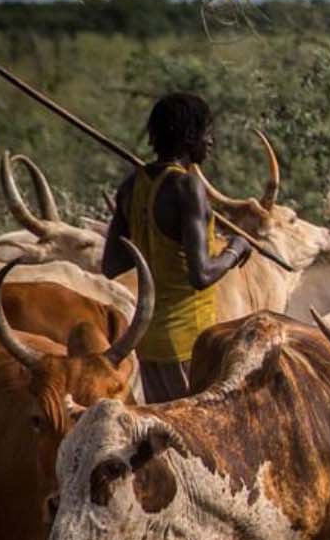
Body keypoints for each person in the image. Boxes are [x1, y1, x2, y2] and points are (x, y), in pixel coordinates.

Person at [102, 92, 251, 402]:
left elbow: (111, 266)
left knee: (166, 440)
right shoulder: (187, 186)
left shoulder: (131, 187)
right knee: (198, 441)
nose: (211, 141)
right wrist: (235, 248)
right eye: (207, 131)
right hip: (189, 343)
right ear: (188, 135)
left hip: (148, 342)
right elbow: (202, 275)